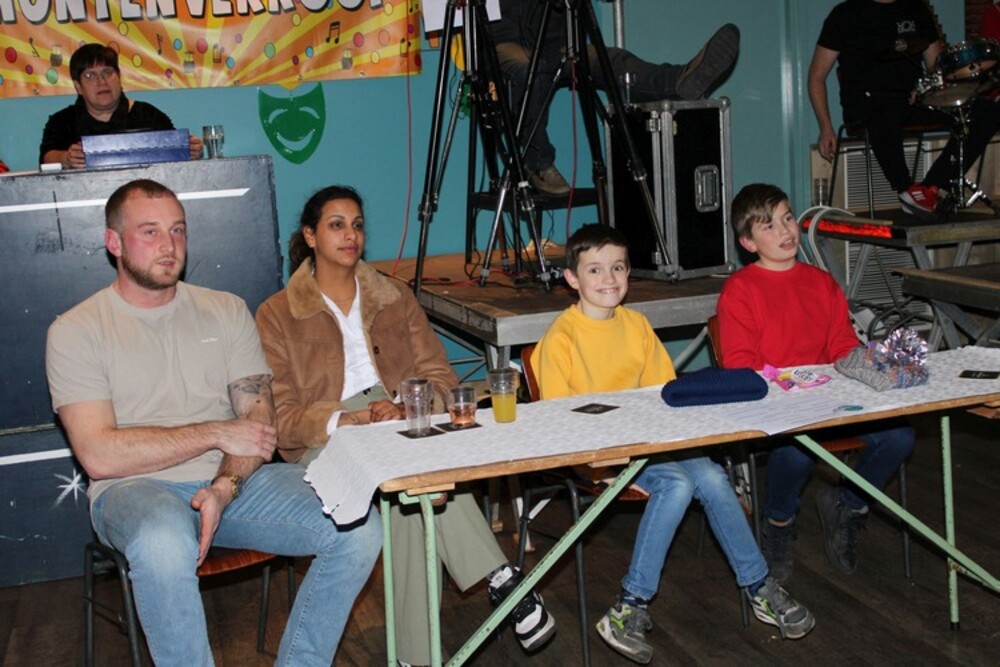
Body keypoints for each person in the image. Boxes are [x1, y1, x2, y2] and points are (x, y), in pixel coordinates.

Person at [45, 179, 382, 666]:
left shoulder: (225, 309)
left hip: (233, 479)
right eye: (150, 232)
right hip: (133, 488)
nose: (169, 245)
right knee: (163, 543)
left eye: (178, 230)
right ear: (113, 242)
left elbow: (257, 422)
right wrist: (215, 432)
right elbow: (99, 455)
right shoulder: (76, 330)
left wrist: (224, 488)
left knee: (357, 525)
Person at [254, 185, 556, 665]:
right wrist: (347, 419)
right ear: (310, 236)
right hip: (327, 435)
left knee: (409, 490)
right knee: (411, 477)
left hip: (398, 418)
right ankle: (501, 578)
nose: (350, 235)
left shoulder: (393, 295)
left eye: (357, 225)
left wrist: (405, 405)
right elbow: (283, 418)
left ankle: (415, 657)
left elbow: (441, 376)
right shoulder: (276, 314)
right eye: (336, 225)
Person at [530, 223, 814, 664]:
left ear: (629, 273)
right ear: (572, 278)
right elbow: (559, 421)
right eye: (595, 270)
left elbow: (665, 397)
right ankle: (629, 605)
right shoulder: (561, 338)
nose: (609, 279)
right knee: (678, 484)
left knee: (713, 477)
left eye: (618, 268)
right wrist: (615, 452)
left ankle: (760, 586)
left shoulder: (637, 325)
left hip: (651, 443)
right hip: (599, 453)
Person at [716, 183, 915, 584]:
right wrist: (790, 382)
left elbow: (842, 345)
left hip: (830, 401)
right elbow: (739, 364)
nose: (785, 230)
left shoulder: (821, 282)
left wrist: (877, 364)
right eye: (768, 226)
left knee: (899, 437)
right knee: (797, 450)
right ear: (748, 243)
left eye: (788, 218)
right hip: (776, 406)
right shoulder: (740, 290)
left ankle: (848, 504)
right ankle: (778, 522)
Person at [490, 0, 739, 194]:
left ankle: (679, 82)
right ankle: (538, 162)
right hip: (504, 42)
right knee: (528, 67)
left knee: (612, 60)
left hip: (557, 44)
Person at [808, 0, 999, 222]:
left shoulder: (916, 10)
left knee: (986, 112)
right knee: (884, 110)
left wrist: (930, 86)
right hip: (867, 104)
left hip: (911, 102)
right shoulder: (844, 14)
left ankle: (931, 187)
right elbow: (816, 76)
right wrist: (825, 127)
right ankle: (905, 188)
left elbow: (936, 67)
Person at [39, 43, 203, 168]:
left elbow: (175, 156)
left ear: (119, 77)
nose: (101, 81)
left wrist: (189, 150)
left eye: (107, 72)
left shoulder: (149, 115)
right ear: (78, 86)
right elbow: (47, 158)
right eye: (90, 75)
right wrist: (66, 158)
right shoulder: (62, 121)